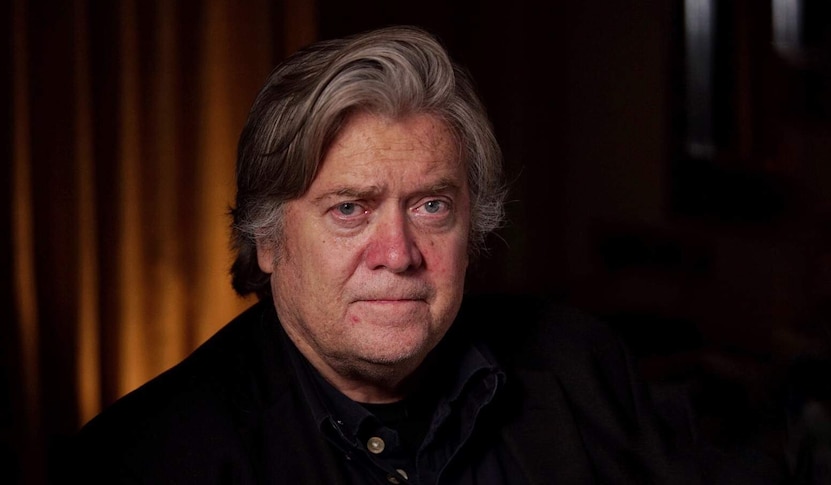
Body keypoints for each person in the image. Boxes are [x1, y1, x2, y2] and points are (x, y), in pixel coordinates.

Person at [67, 26, 766, 484]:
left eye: (431, 205)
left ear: (475, 225)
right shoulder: (144, 460)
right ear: (268, 239)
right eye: (350, 209)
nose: (399, 253)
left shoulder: (582, 367)